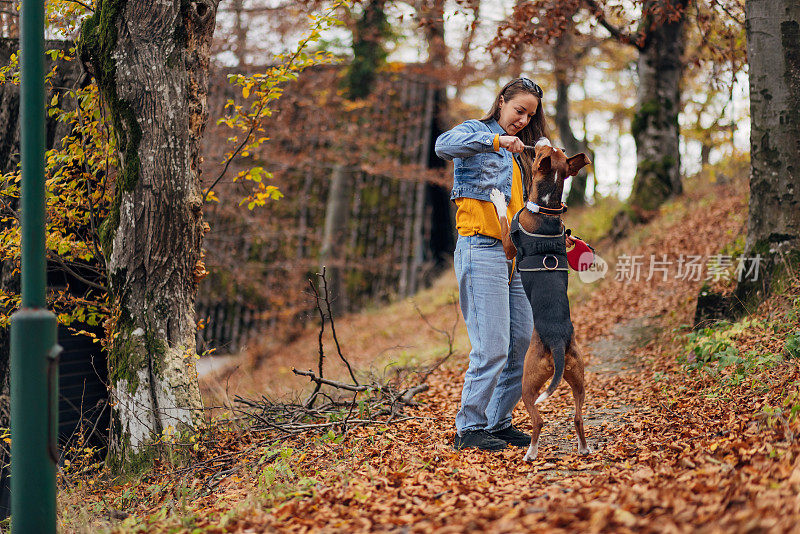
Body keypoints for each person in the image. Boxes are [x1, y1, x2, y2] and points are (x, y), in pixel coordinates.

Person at [434, 77, 565, 451]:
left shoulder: (523, 154)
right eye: (518, 110)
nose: (523, 120)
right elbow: (444, 145)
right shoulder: (478, 133)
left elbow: (529, 208)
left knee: (520, 342)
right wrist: (495, 140)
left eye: (529, 115)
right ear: (502, 101)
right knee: (491, 345)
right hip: (480, 248)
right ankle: (469, 428)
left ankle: (497, 421)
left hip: (516, 255)